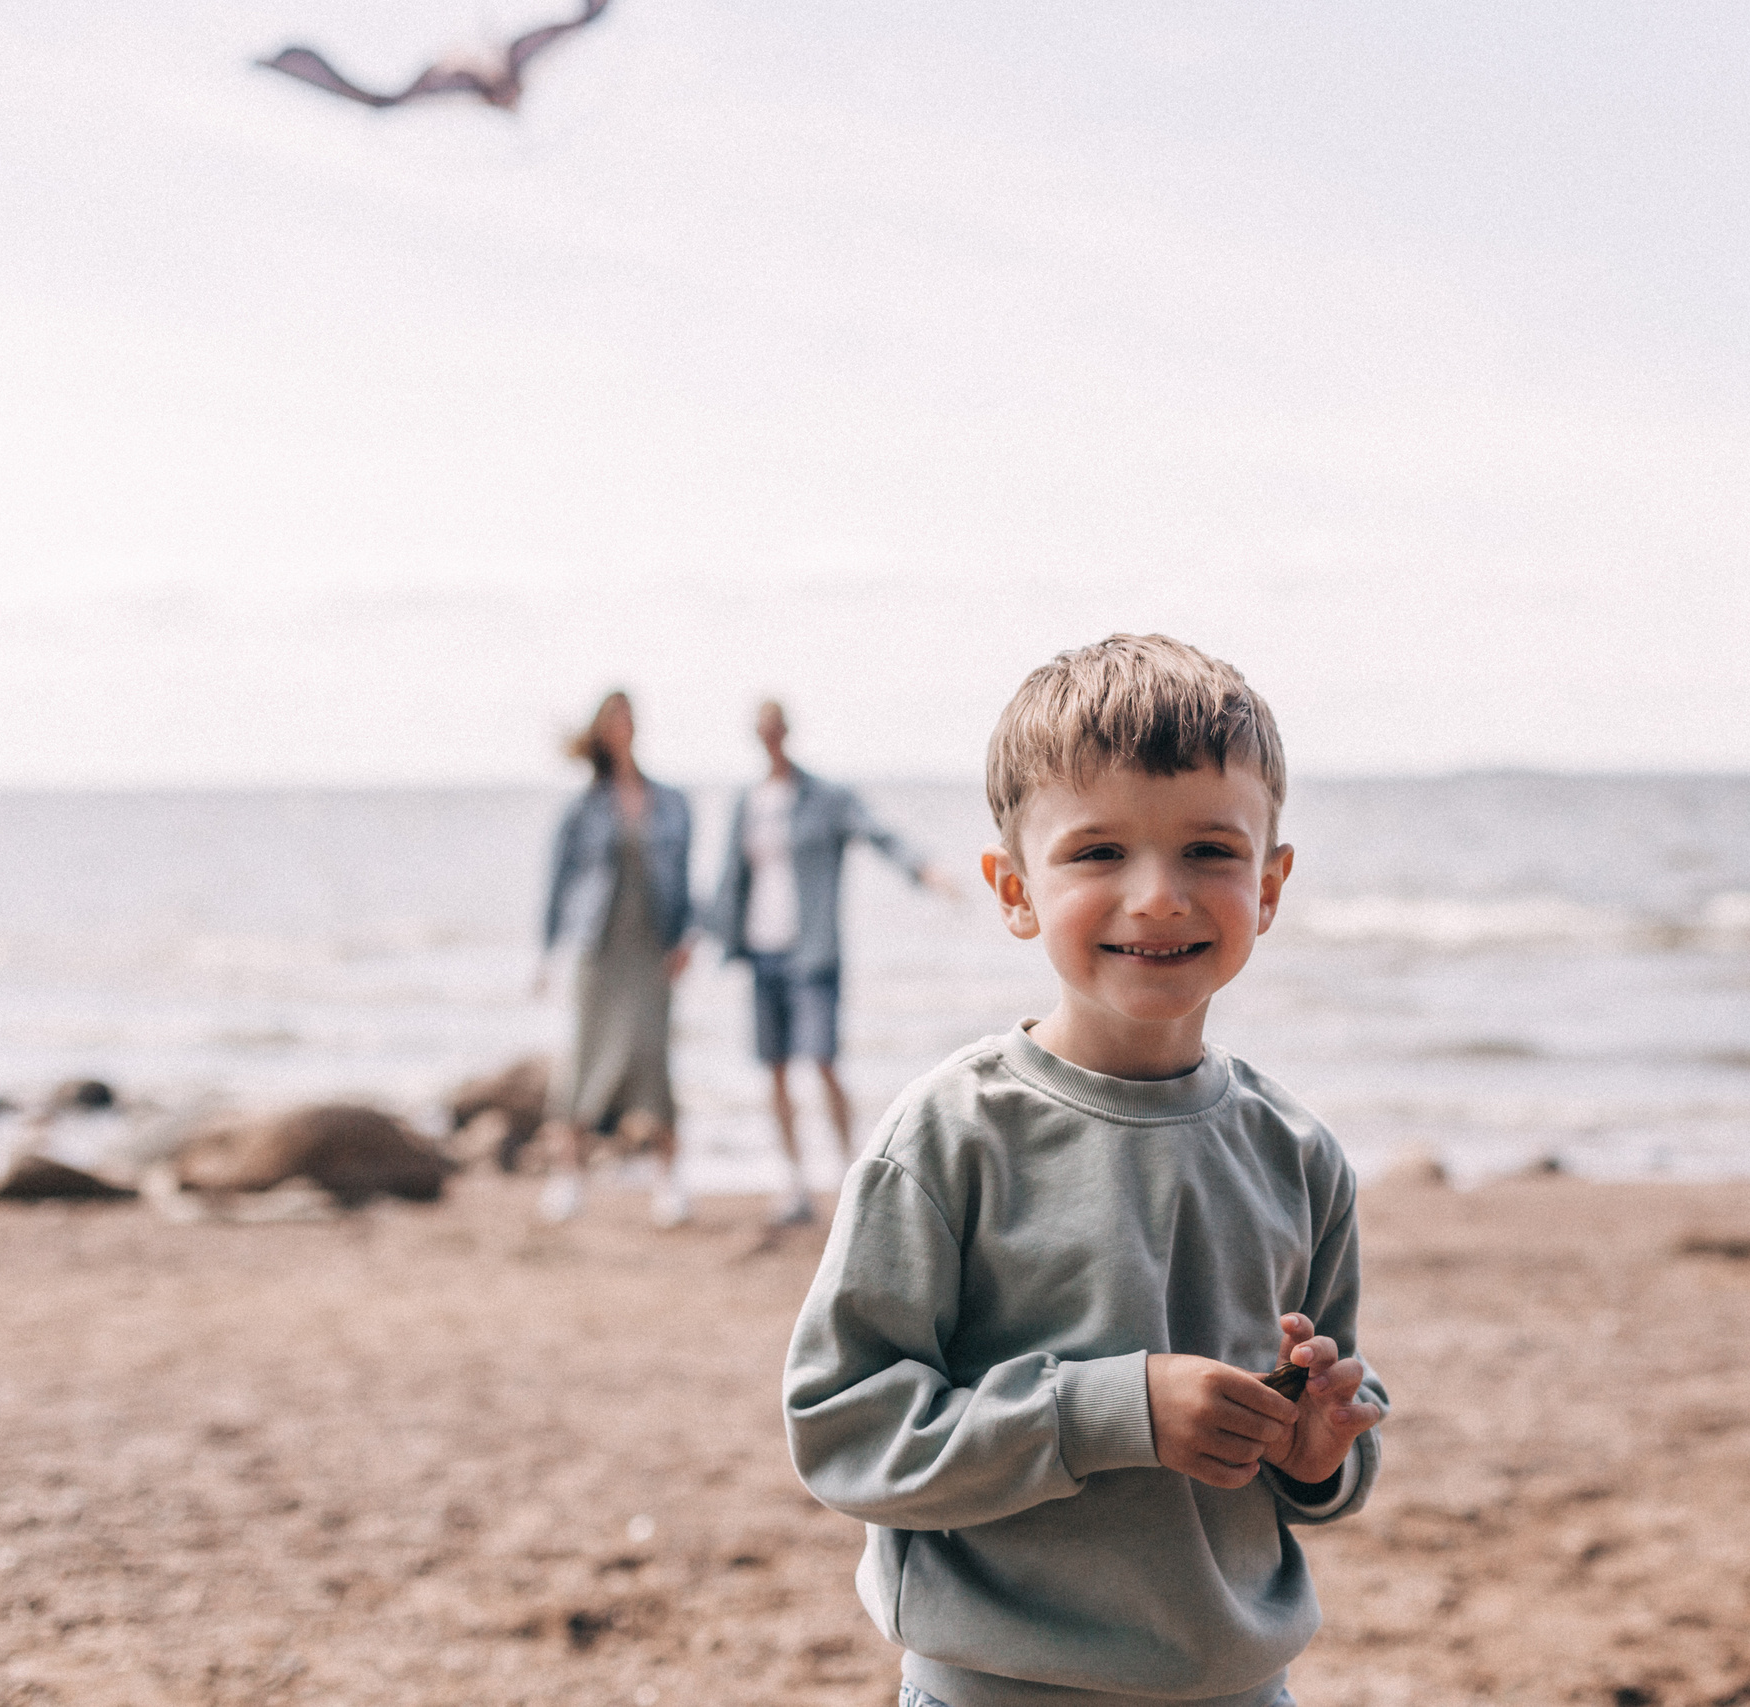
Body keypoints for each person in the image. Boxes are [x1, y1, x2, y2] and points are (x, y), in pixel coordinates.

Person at [783, 635, 1388, 1707]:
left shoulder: (1296, 1155)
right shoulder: (948, 1137)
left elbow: (1323, 1451)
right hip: (996, 1687)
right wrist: (1118, 1411)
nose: (1157, 896)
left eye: (1210, 850)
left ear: (1272, 881)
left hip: (1239, 1687)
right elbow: (846, 1434)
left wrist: (1315, 1451)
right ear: (1014, 889)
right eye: (1098, 853)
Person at [707, 699, 948, 1226]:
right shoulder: (748, 802)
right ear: (756, 735)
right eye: (761, 730)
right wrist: (696, 934)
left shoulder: (824, 797)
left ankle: (852, 1178)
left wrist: (922, 870)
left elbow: (878, 833)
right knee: (775, 1072)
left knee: (823, 1062)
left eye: (775, 728)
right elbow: (730, 880)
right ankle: (794, 1186)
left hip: (812, 954)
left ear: (786, 731)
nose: (769, 737)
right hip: (761, 951)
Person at [535, 690, 694, 1227]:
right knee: (583, 1062)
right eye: (614, 717)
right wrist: (546, 954)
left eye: (629, 716)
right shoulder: (582, 808)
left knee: (654, 1064)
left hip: (652, 950)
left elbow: (684, 883)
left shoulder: (670, 802)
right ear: (601, 730)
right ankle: (567, 1179)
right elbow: (558, 884)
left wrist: (685, 942)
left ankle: (669, 1183)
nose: (623, 726)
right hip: (598, 951)